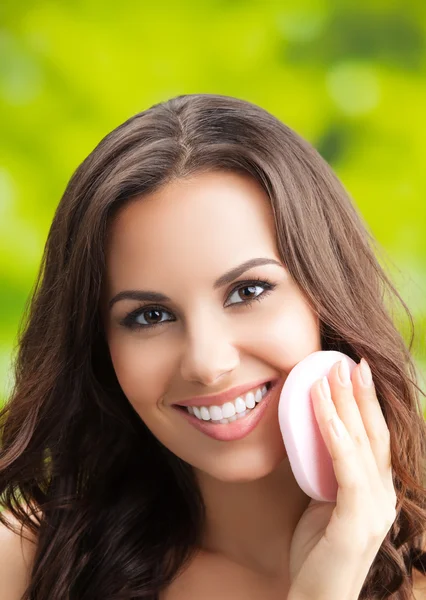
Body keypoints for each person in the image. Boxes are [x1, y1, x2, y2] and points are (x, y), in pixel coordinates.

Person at [0, 93, 425, 600]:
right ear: (100, 346)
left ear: (326, 294)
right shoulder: (29, 560)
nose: (207, 362)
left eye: (248, 292)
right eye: (150, 316)